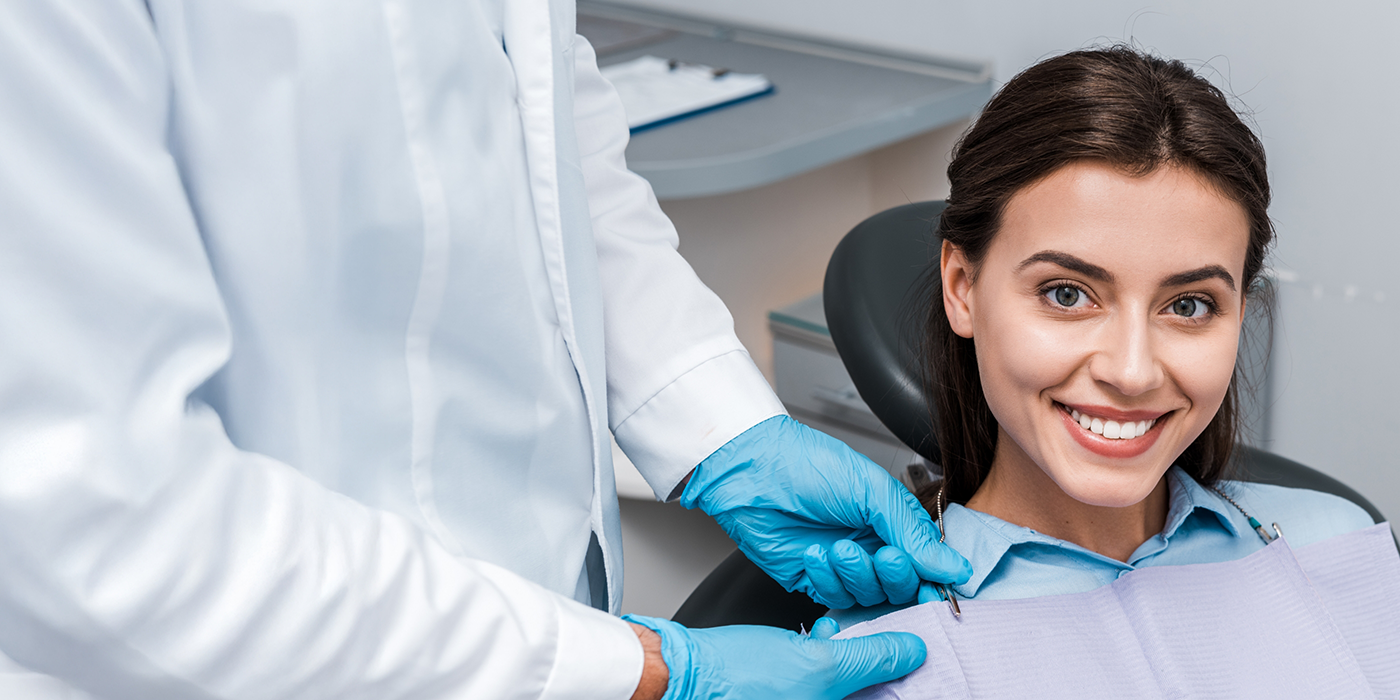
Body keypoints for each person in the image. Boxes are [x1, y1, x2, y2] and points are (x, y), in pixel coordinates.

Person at [0, 1, 972, 698]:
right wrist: (635, 672)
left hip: (542, 611)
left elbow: (545, 112)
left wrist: (716, 423)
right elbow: (87, 505)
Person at [827, 46, 1376, 627]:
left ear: (1241, 310)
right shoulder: (878, 633)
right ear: (963, 287)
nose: (1133, 370)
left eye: (1188, 305)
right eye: (1067, 294)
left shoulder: (1334, 543)